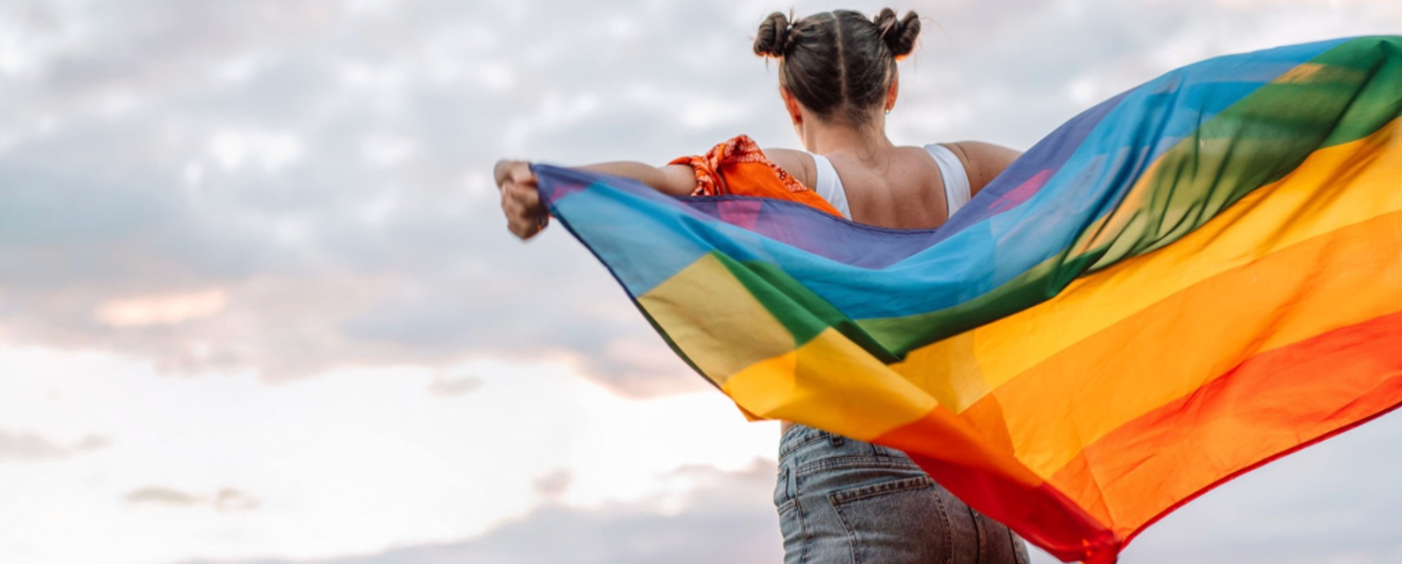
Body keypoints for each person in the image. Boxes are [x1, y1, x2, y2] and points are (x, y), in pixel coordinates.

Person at [496, 8, 1030, 564]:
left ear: (790, 100)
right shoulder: (965, 168)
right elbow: (1090, 173)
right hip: (982, 488)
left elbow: (663, 184)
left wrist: (544, 184)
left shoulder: (789, 179)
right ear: (891, 88)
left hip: (856, 478)